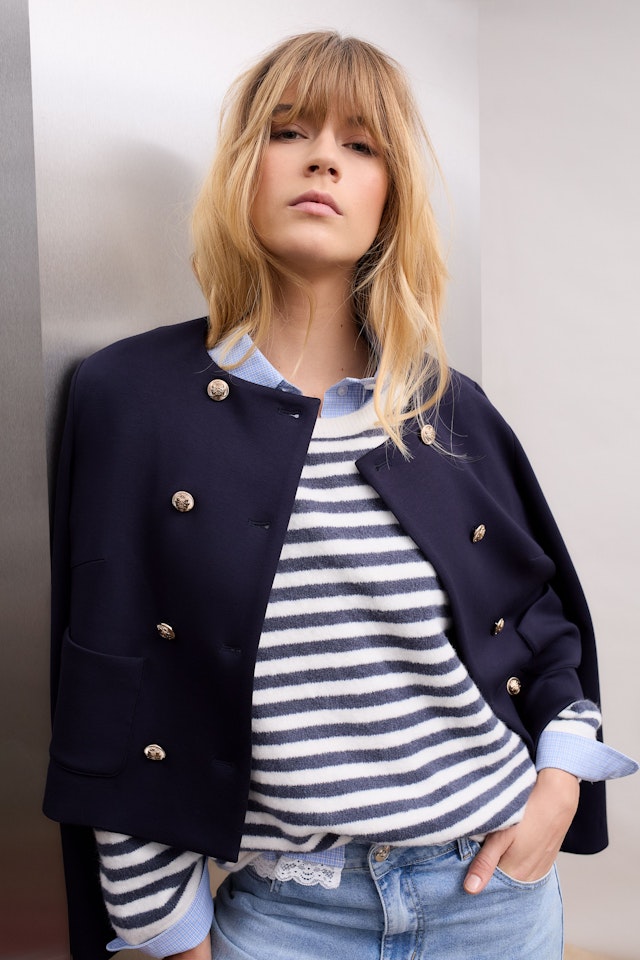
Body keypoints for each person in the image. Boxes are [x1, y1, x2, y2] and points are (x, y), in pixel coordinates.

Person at [43, 30, 636, 960]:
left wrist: (559, 781)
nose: (323, 157)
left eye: (361, 145)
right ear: (242, 168)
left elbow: (537, 619)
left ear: (389, 198)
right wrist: (165, 932)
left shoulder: (445, 408)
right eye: (289, 131)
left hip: (496, 901)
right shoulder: (133, 397)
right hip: (289, 916)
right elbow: (113, 679)